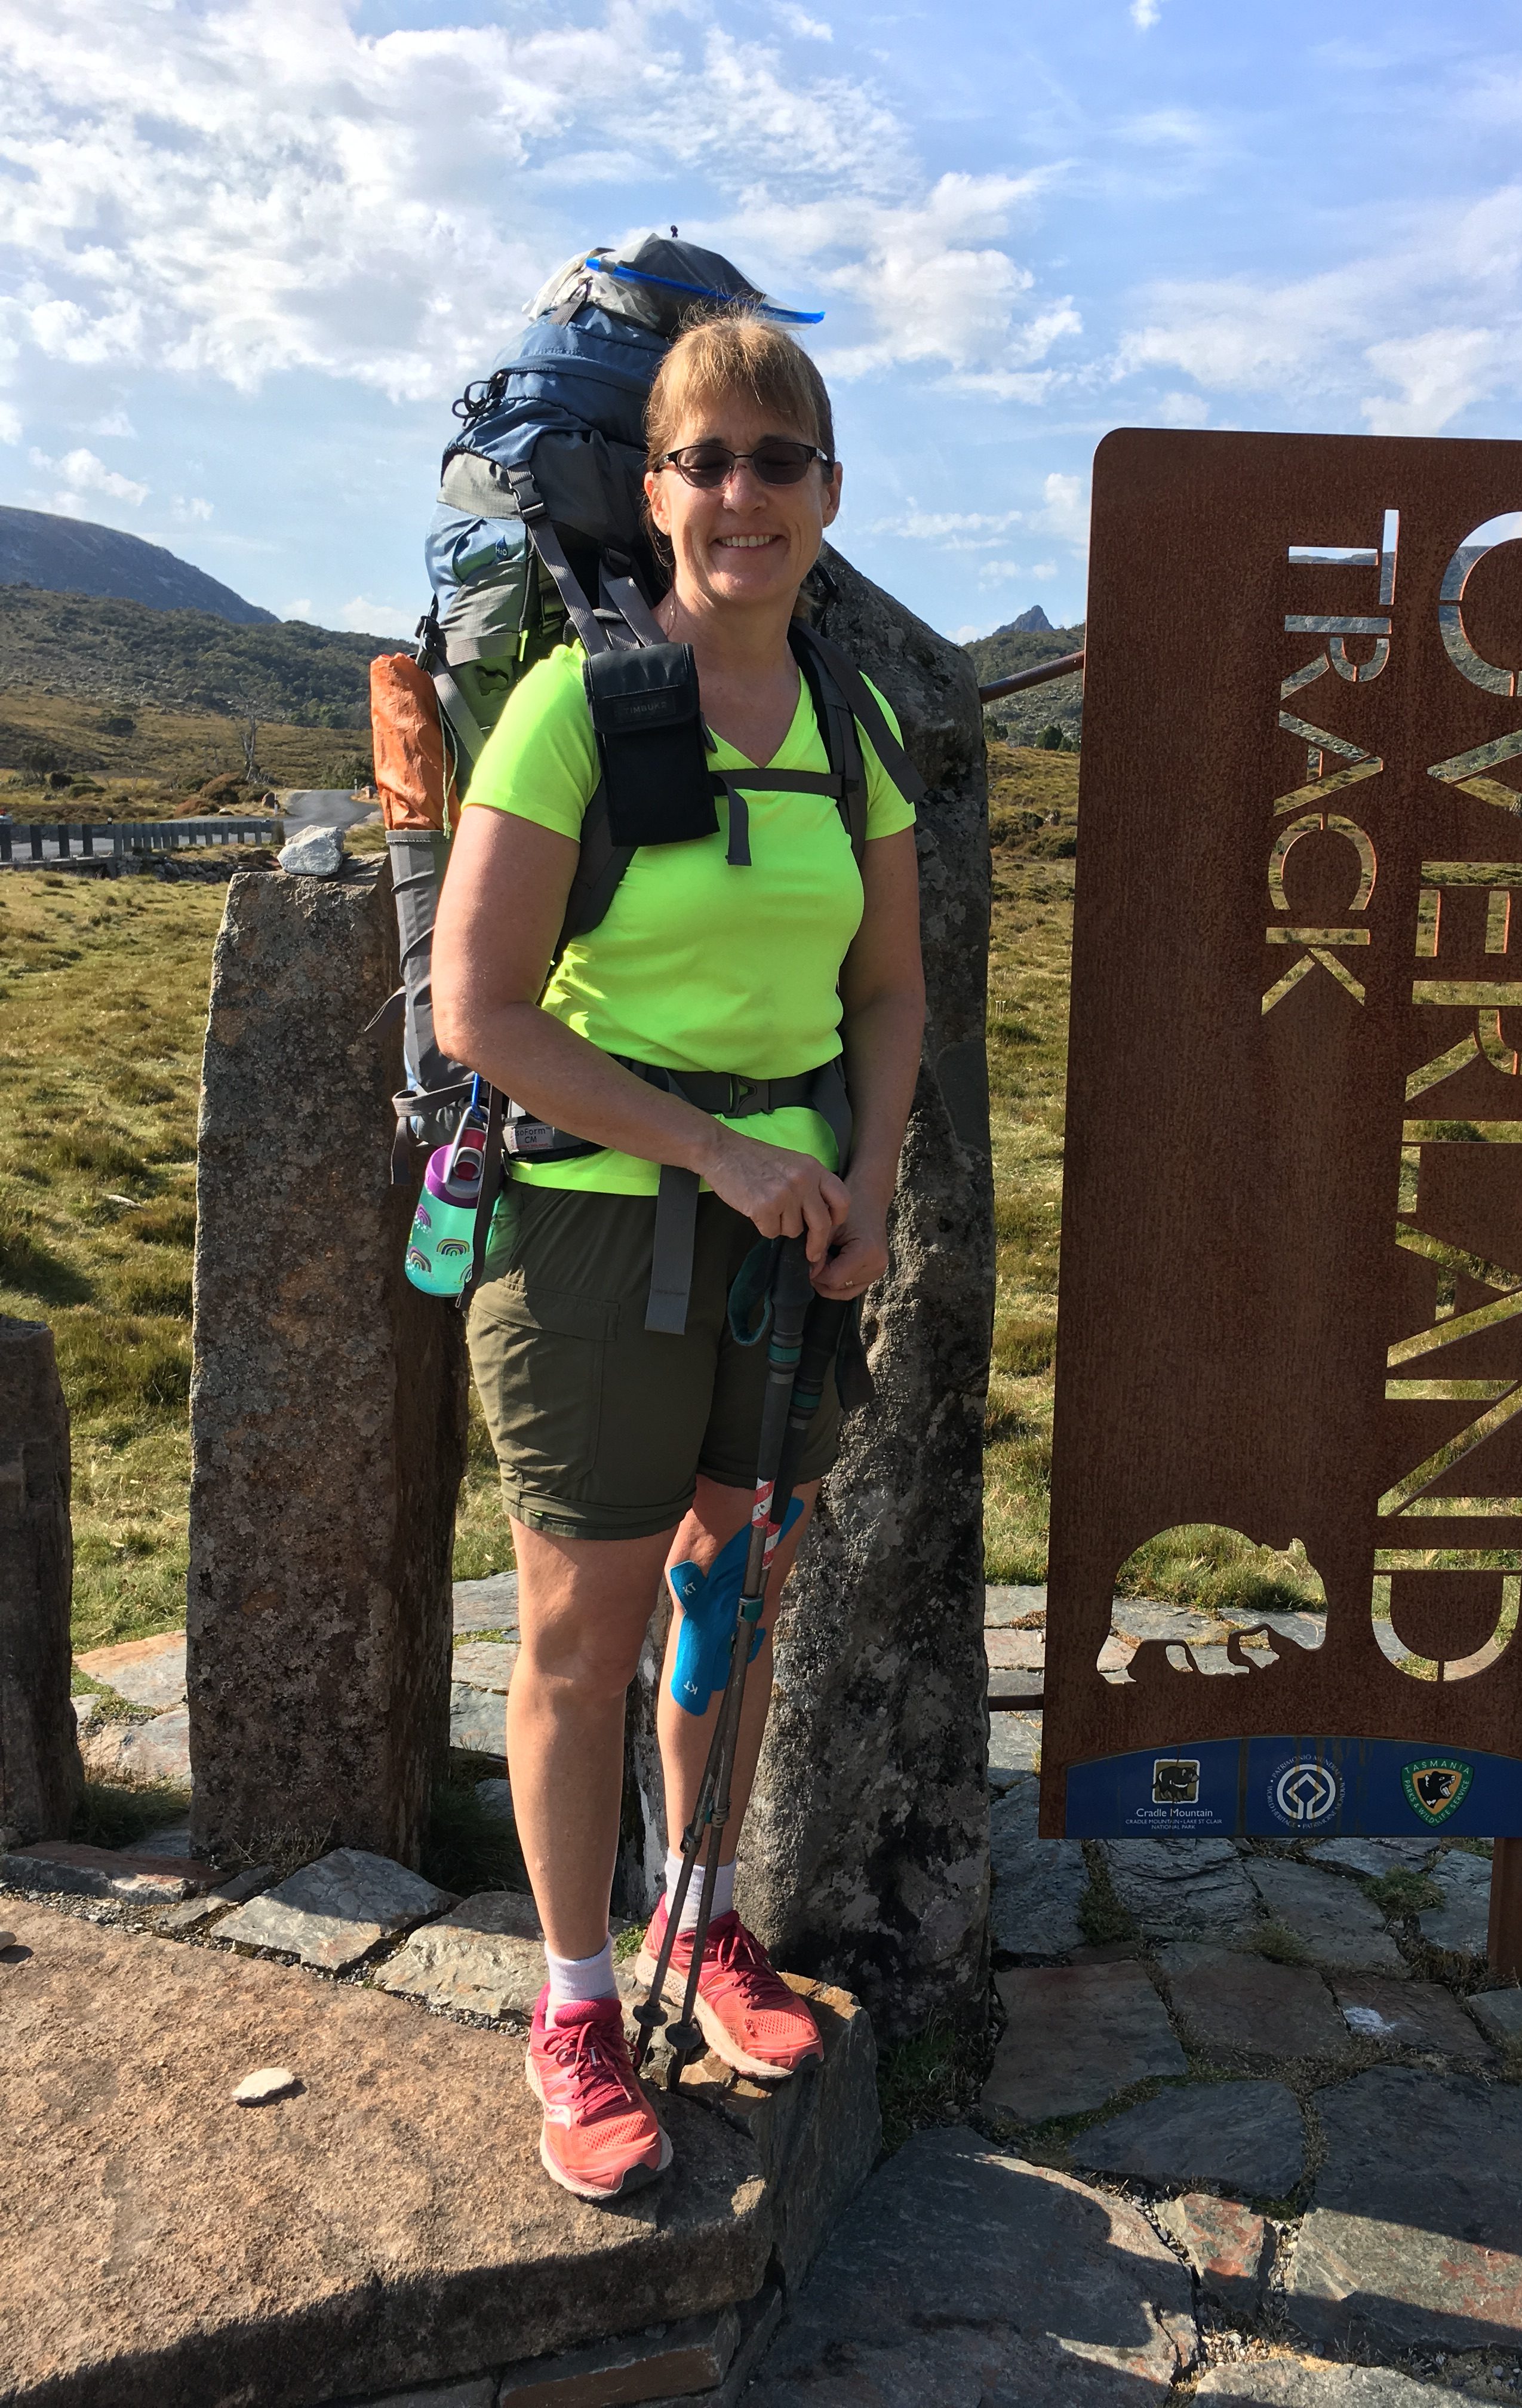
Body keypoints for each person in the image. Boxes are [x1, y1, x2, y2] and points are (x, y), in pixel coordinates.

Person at [433, 309, 926, 2203]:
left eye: (775, 460)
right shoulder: (578, 708)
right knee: (584, 1626)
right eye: (704, 461)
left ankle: (702, 1915)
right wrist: (718, 1151)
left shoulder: (853, 729)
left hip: (784, 1245)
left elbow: (884, 994)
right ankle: (575, 2001)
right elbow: (483, 1011)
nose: (741, 494)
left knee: (738, 1594)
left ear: (826, 496)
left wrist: (866, 1181)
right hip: (590, 1237)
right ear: (653, 495)